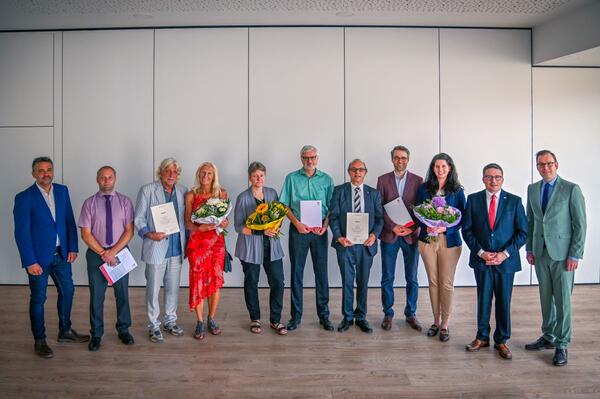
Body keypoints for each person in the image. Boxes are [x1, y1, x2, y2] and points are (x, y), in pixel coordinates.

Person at [13, 156, 89, 358]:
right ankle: (39, 340)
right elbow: (21, 233)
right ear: (33, 173)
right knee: (38, 299)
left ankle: (65, 331)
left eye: (49, 169)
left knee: (68, 292)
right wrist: (29, 261)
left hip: (62, 255)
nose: (46, 173)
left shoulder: (62, 191)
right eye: (41, 170)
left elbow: (69, 222)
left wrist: (72, 247)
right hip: (38, 260)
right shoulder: (24, 198)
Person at [525, 150, 586, 367]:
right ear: (537, 167)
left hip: (563, 255)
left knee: (563, 301)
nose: (545, 168)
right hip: (540, 253)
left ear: (557, 165)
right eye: (541, 164)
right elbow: (531, 222)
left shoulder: (571, 189)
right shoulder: (532, 189)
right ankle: (548, 335)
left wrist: (575, 254)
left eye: (549, 163)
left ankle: (562, 343)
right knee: (545, 297)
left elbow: (580, 225)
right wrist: (529, 249)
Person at [462, 163, 527, 359]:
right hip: (482, 260)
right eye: (489, 177)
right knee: (483, 299)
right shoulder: (473, 200)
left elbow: (523, 232)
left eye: (497, 177)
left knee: (503, 301)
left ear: (503, 179)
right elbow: (467, 230)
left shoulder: (514, 201)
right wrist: (481, 252)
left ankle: (502, 340)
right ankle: (482, 337)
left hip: (505, 262)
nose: (493, 180)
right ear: (483, 179)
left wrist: (505, 253)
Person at [79, 166, 135, 351]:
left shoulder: (125, 202)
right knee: (97, 296)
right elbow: (86, 234)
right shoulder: (89, 203)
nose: (106, 181)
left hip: (120, 254)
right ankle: (96, 334)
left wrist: (114, 252)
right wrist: (104, 253)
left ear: (115, 179)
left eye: (109, 177)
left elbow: (129, 231)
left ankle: (123, 330)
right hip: (96, 255)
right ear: (97, 179)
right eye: (102, 177)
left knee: (122, 295)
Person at [280, 145, 335, 331]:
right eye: (305, 158)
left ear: (317, 158)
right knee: (296, 273)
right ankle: (295, 317)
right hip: (299, 230)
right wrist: (296, 224)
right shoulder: (291, 178)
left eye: (312, 157)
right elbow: (284, 205)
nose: (309, 161)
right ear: (301, 159)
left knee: (322, 274)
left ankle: (324, 316)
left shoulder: (327, 180)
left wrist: (326, 226)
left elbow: (332, 207)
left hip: (319, 231)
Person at [134, 158, 187, 343]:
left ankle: (170, 321)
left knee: (173, 289)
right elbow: (138, 219)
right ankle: (153, 325)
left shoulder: (182, 191)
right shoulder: (147, 190)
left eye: (175, 171)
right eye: (168, 170)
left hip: (176, 249)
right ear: (161, 172)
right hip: (156, 247)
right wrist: (148, 234)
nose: (171, 174)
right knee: (153, 290)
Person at [415, 153, 466, 342]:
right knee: (433, 281)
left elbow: (463, 218)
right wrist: (424, 225)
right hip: (427, 240)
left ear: (450, 168)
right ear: (433, 168)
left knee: (446, 282)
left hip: (449, 241)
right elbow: (417, 213)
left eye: (443, 166)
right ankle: (435, 321)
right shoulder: (424, 188)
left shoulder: (457, 191)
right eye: (436, 166)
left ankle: (445, 323)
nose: (440, 170)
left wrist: (447, 226)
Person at [329, 159, 383, 333]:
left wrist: (374, 235)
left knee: (363, 282)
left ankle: (361, 316)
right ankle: (347, 317)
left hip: (366, 245)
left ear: (365, 172)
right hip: (346, 244)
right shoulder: (339, 191)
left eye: (361, 170)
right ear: (348, 171)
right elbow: (334, 217)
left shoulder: (373, 194)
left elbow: (380, 219)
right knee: (346, 281)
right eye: (354, 169)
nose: (357, 173)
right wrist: (339, 237)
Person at [234, 162, 287, 335]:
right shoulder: (243, 197)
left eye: (262, 175)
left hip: (272, 245)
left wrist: (276, 228)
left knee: (278, 282)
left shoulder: (272, 193)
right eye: (255, 176)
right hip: (250, 248)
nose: (259, 179)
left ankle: (275, 320)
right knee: (252, 282)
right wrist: (261, 230)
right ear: (250, 177)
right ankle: (255, 319)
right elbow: (238, 227)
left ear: (265, 176)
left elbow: (279, 216)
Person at [376, 145, 423, 331]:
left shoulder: (418, 180)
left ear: (408, 159)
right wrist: (393, 227)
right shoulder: (382, 180)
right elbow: (378, 207)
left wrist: (409, 228)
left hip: (411, 236)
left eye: (403, 158)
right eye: (396, 157)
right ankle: (388, 313)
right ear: (392, 159)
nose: (400, 161)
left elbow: (421, 209)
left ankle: (411, 313)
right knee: (387, 277)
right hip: (390, 235)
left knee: (412, 277)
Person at [184, 162, 229, 340]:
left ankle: (212, 318)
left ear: (214, 176)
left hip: (217, 242)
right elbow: (187, 222)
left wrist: (224, 223)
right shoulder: (191, 194)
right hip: (197, 244)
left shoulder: (221, 193)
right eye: (203, 172)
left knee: (215, 281)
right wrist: (200, 229)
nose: (206, 176)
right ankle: (200, 321)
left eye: (210, 173)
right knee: (197, 281)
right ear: (198, 174)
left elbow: (225, 220)